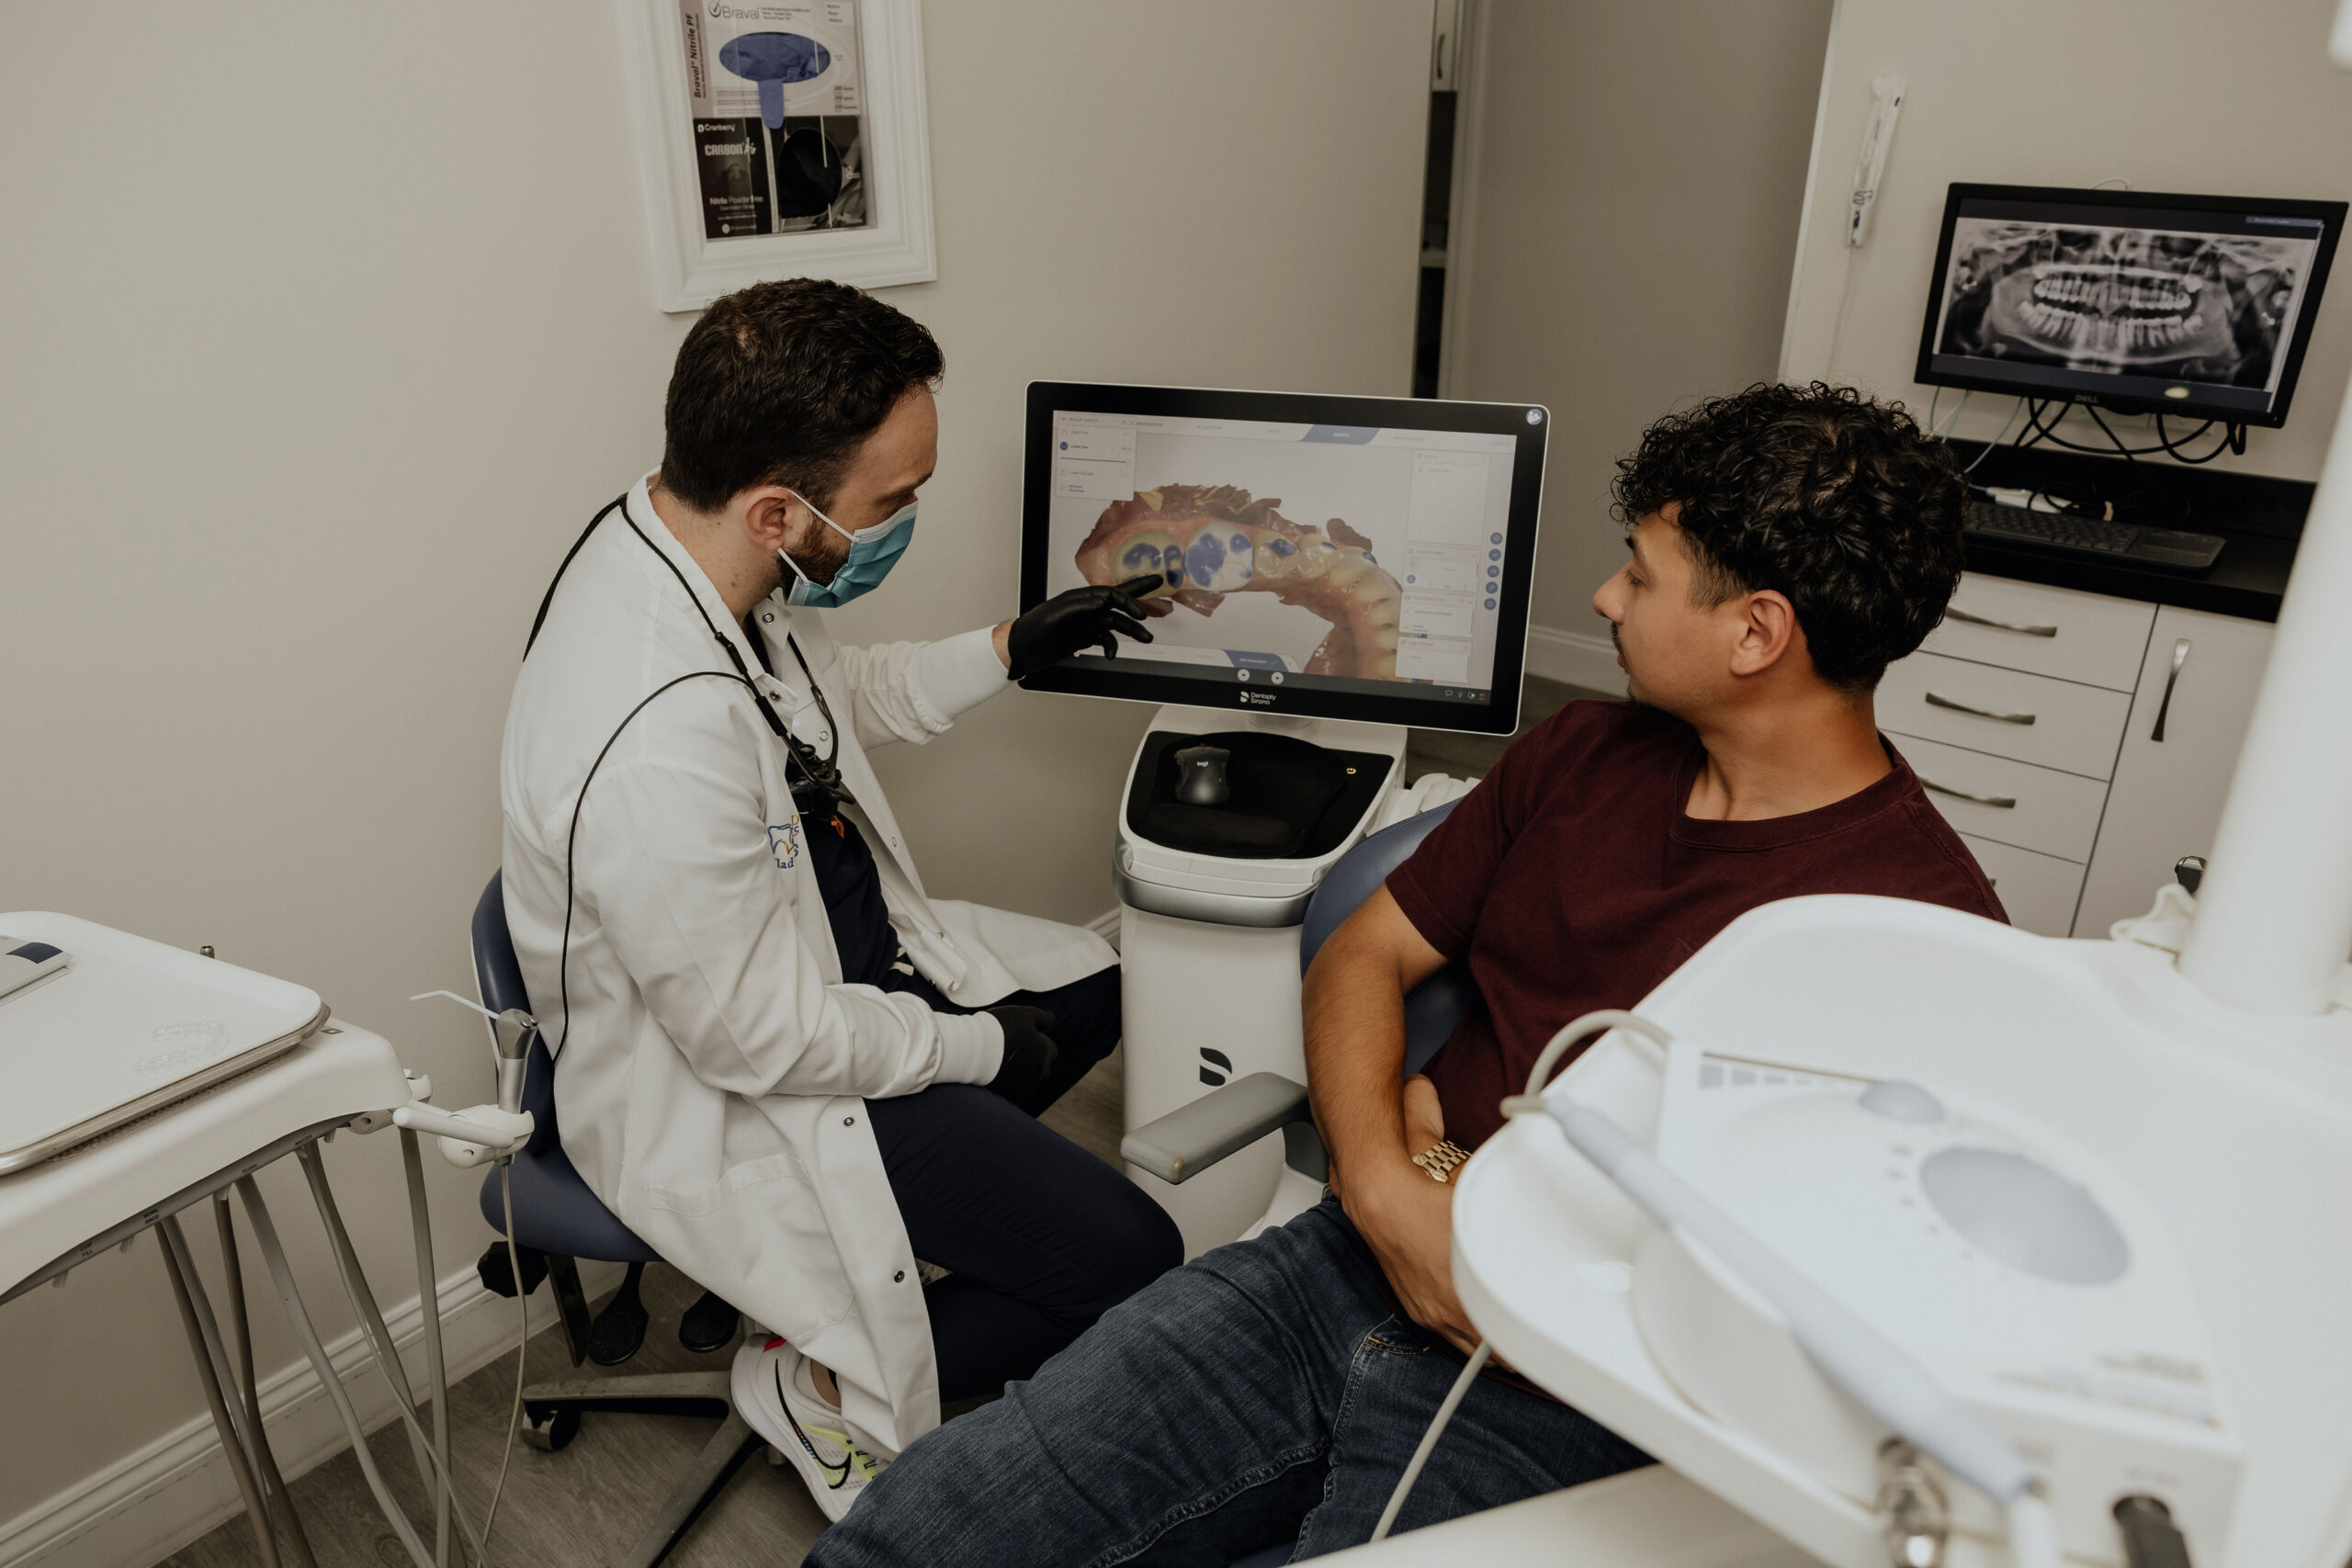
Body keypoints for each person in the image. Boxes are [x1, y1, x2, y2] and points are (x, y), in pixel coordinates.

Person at [806, 382, 2007, 1564]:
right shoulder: (1585, 753)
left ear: (1757, 631)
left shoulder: (1918, 939)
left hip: (1562, 1391)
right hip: (1341, 1265)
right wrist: (1387, 1176)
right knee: (912, 1536)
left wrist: (1472, 1180)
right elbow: (1366, 953)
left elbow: (1826, 1306)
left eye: (1640, 573)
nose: (1604, 597)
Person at [498, 277, 1182, 1519]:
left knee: (1093, 994)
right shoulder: (658, 731)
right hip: (752, 1071)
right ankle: (813, 1373)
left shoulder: (677, 547)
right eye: (894, 505)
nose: (904, 521)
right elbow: (757, 1040)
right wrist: (969, 1044)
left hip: (809, 972)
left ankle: (914, 1232)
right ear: (776, 508)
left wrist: (1015, 643)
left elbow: (827, 700)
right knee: (1133, 1260)